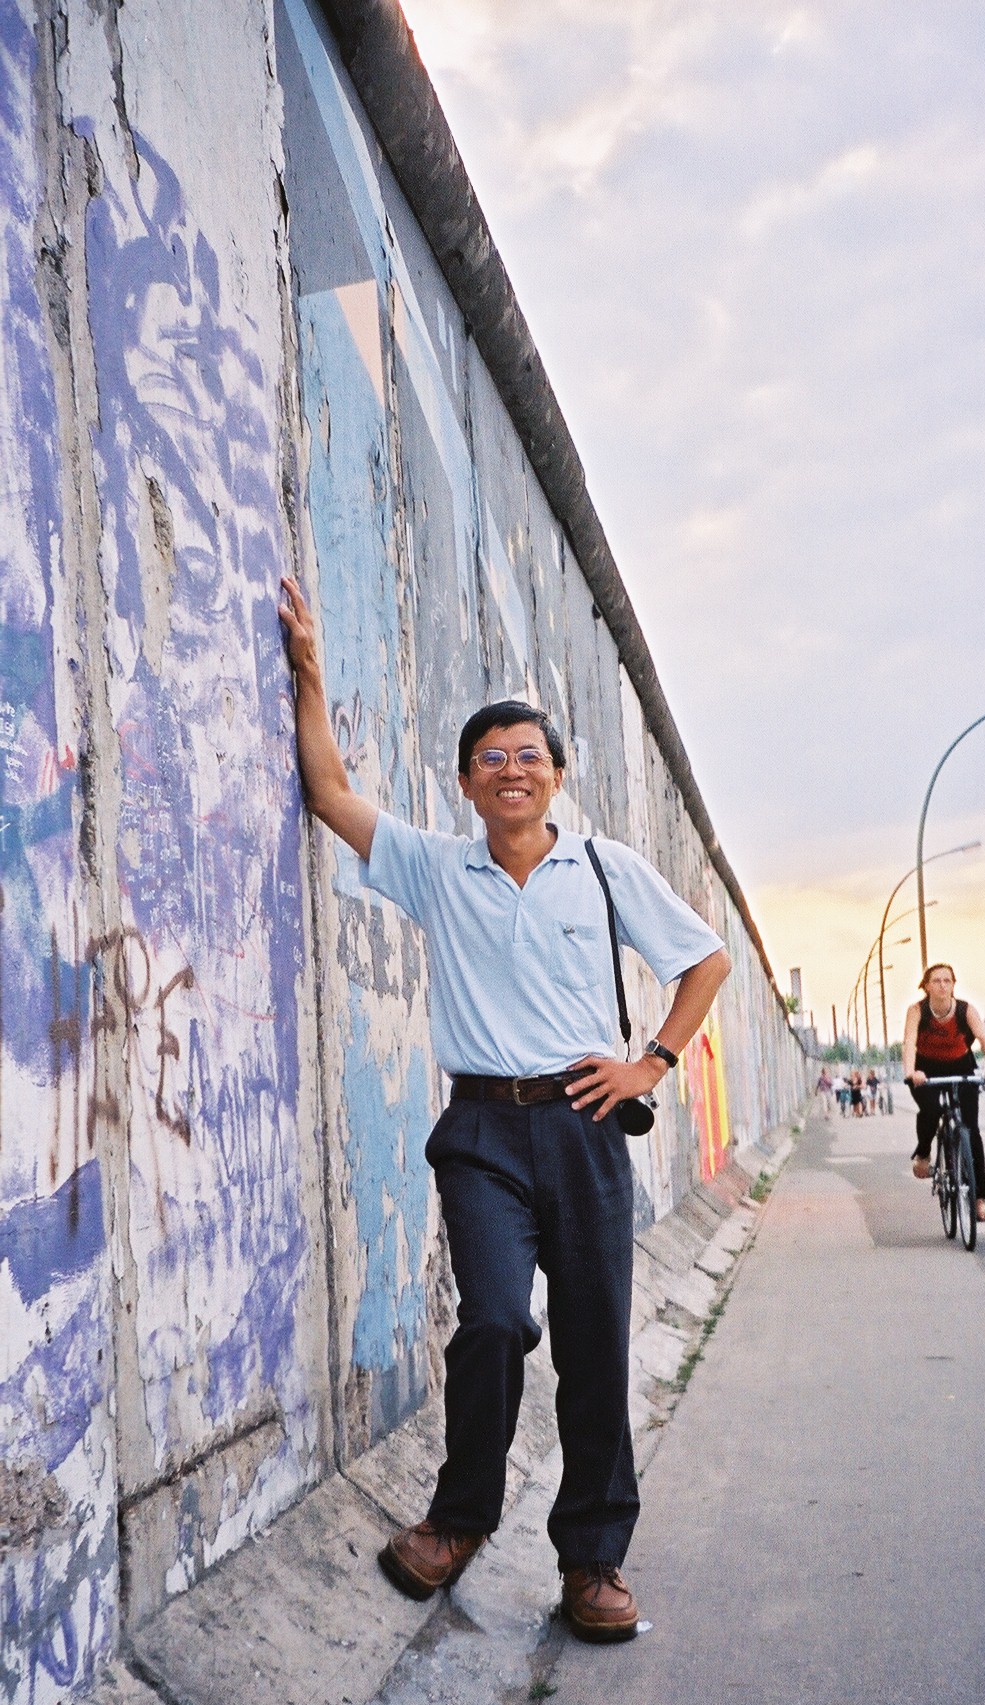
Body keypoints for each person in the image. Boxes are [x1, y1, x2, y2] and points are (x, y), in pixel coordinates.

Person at [278, 576, 731, 1642]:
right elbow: (329, 793)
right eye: (491, 758)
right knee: (490, 1321)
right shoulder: (439, 870)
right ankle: (460, 1517)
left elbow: (705, 960)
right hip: (481, 1130)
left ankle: (592, 1563)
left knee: (594, 1345)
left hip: (584, 1127)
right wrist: (308, 673)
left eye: (529, 754)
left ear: (556, 776)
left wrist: (651, 1063)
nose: (512, 769)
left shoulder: (604, 870)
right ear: (467, 784)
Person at [902, 963, 985, 1222]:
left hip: (961, 1066)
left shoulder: (965, 1010)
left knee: (971, 1129)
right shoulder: (917, 1011)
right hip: (926, 1069)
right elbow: (909, 1042)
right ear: (926, 986)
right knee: (931, 1109)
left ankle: (979, 1198)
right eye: (936, 981)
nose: (942, 985)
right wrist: (911, 1072)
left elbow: (984, 1038)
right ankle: (923, 1153)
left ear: (953, 985)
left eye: (947, 980)